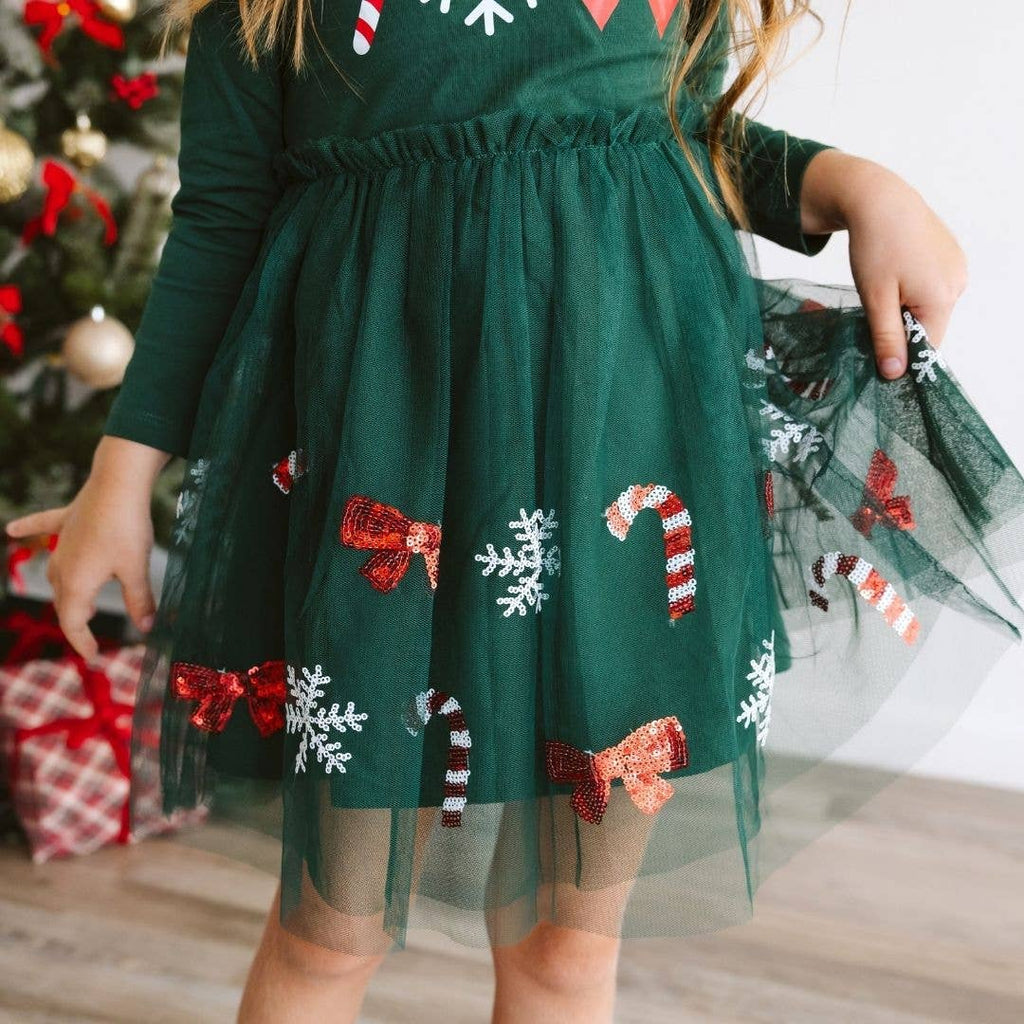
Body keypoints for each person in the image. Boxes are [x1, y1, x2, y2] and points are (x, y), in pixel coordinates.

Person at [6, 2, 1024, 1022]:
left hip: (616, 478)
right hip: (384, 485)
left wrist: (852, 182)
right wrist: (122, 471)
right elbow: (222, 216)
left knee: (565, 953)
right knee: (327, 935)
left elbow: (683, 137)